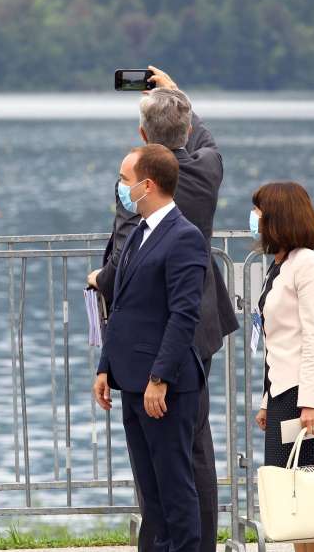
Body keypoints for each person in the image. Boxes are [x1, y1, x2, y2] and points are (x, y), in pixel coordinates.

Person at [89, 66, 238, 552]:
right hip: (204, 323)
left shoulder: (139, 195)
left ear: (142, 141)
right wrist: (176, 93)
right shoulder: (208, 168)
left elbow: (118, 263)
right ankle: (197, 540)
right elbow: (204, 137)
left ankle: (165, 539)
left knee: (161, 453)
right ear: (189, 129)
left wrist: (100, 281)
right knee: (194, 445)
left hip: (161, 331)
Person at [94, 144, 208, 552]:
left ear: (148, 184)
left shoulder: (184, 237)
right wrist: (104, 365)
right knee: (151, 492)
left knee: (174, 488)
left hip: (165, 387)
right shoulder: (139, 232)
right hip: (130, 380)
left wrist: (159, 377)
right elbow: (121, 306)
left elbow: (184, 316)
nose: (120, 188)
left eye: (125, 180)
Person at [251, 182, 314, 552]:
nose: (255, 219)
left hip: (305, 396)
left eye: (259, 212)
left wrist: (311, 402)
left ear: (277, 218)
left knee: (310, 500)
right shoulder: (278, 266)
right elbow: (276, 344)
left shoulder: (308, 265)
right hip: (284, 393)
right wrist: (268, 399)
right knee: (291, 499)